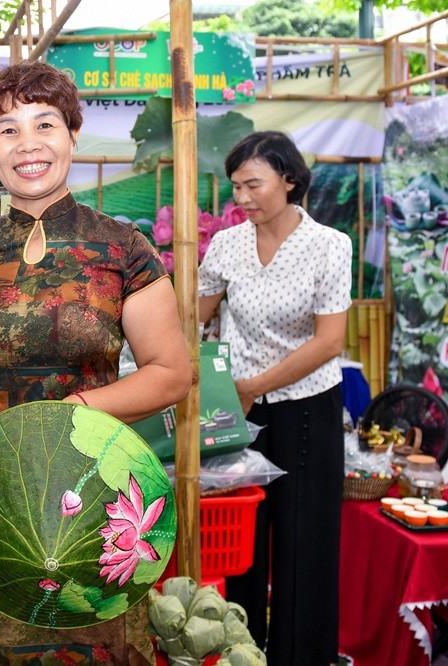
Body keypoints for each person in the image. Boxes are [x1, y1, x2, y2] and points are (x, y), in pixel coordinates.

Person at [0, 60, 191, 665]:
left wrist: (75, 411)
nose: (28, 144)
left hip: (98, 498)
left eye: (45, 124)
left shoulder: (123, 247)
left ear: (72, 136)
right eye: (7, 130)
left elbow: (171, 372)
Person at [197, 130, 352, 665]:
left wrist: (253, 387)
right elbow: (191, 318)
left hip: (307, 409)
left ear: (289, 179)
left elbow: (329, 342)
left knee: (304, 542)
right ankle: (242, 653)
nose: (241, 197)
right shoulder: (226, 245)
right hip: (234, 413)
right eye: (235, 186)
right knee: (240, 542)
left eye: (253, 184)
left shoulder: (329, 245)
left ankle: (302, 656)